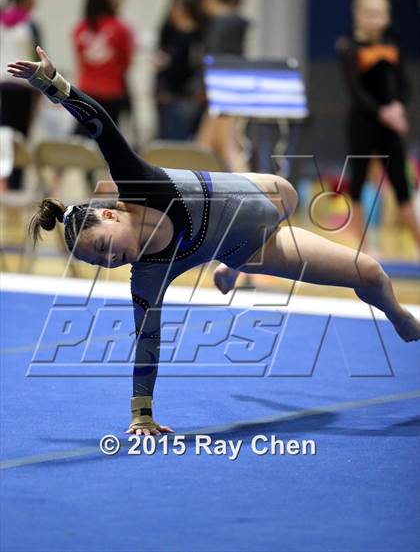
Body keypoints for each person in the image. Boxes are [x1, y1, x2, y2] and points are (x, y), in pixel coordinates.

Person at [7, 47, 419, 435]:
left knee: (288, 195)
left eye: (102, 246)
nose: (109, 258)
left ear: (110, 213)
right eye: (99, 264)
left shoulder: (140, 183)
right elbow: (147, 341)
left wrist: (52, 83)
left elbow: (100, 123)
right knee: (368, 272)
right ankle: (399, 315)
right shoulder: (146, 276)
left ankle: (228, 266)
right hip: (252, 246)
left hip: (267, 196)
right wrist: (142, 414)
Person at [336, 0, 419, 250]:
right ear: (357, 14)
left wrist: (398, 108)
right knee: (358, 182)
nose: (376, 20)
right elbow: (357, 92)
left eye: (381, 14)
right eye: (370, 14)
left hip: (390, 123)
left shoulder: (392, 44)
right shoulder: (347, 46)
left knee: (401, 185)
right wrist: (384, 113)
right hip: (364, 122)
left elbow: (405, 85)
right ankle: (362, 249)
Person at [72, 0, 135, 188]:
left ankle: (82, 180)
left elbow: (81, 59)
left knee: (79, 140)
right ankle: (108, 184)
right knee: (109, 144)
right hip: (111, 93)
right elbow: (126, 62)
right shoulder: (121, 29)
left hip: (85, 92)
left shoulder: (79, 29)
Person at [195, 0, 249, 172]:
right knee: (207, 146)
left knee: (226, 149)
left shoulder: (220, 24)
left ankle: (253, 194)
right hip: (232, 91)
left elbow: (213, 60)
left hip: (221, 94)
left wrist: (203, 88)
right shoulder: (236, 23)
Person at [0, 0, 41, 189]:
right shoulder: (29, 24)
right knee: (19, 138)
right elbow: (38, 56)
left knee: (6, 135)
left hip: (7, 85)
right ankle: (14, 182)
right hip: (22, 85)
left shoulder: (2, 20)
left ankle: (8, 181)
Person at [154, 0, 204, 140]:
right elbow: (162, 59)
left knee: (182, 137)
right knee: (166, 135)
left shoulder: (198, 33)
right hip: (168, 93)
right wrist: (160, 88)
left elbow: (195, 65)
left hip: (187, 95)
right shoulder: (168, 29)